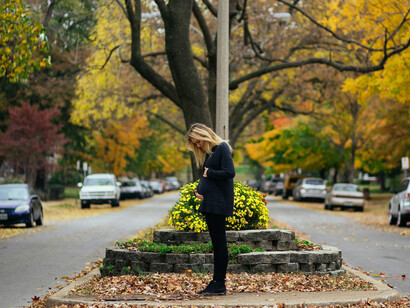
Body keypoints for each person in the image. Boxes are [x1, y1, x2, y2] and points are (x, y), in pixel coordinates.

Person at [186, 123, 236, 295]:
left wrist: (209, 175)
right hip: (210, 202)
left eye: (198, 141)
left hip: (218, 203)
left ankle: (219, 283)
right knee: (217, 243)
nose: (198, 145)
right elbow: (208, 176)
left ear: (204, 136)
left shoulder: (221, 148)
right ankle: (216, 282)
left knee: (220, 244)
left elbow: (230, 172)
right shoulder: (211, 153)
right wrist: (200, 191)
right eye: (195, 144)